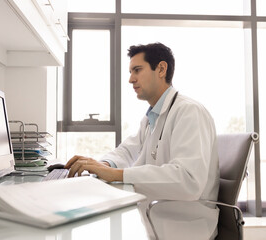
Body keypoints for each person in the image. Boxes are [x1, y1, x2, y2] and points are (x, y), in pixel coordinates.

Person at [65, 42, 219, 239]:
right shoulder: (151, 118)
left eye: (137, 70)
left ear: (161, 69)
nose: (130, 79)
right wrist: (103, 164)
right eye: (130, 72)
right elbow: (128, 151)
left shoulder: (189, 112)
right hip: (157, 212)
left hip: (184, 224)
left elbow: (188, 180)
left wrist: (116, 174)